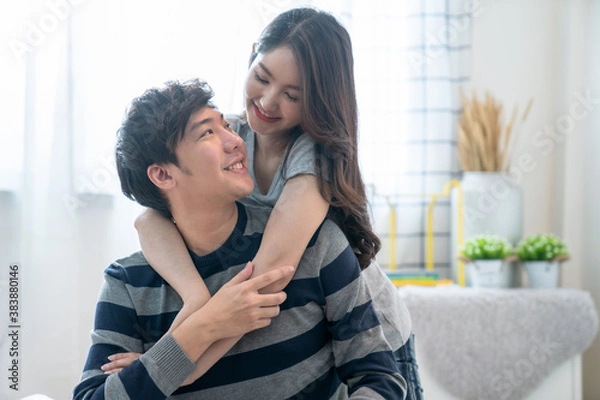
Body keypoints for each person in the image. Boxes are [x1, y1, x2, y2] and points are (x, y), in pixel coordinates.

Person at [121, 7, 422, 398]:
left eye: (292, 95)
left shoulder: (314, 160)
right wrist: (197, 299)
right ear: (250, 55)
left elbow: (266, 279)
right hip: (293, 319)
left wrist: (180, 369)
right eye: (262, 77)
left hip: (366, 330)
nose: (267, 101)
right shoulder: (229, 134)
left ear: (318, 100)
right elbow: (150, 221)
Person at [73, 79, 407, 399]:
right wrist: (201, 328)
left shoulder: (313, 244)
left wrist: (149, 373)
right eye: (207, 132)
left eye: (226, 126)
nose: (235, 141)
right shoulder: (128, 285)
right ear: (162, 174)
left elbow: (378, 378)